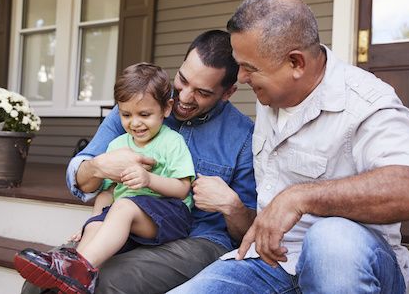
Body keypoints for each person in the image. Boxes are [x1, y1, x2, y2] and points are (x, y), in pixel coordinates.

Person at [168, 0, 409, 294]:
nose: (240, 78)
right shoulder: (270, 94)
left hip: (349, 266)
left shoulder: (365, 101)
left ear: (295, 64)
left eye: (249, 68)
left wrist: (300, 197)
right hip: (271, 264)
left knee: (331, 238)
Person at [20, 30, 257, 294]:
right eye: (182, 80)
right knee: (39, 284)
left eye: (202, 92)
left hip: (199, 237)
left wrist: (232, 206)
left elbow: (248, 231)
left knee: (107, 282)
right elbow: (82, 176)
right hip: (129, 224)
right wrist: (99, 166)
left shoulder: (244, 137)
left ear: (228, 92)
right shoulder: (139, 105)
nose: (185, 97)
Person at [15, 63, 196, 293]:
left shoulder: (171, 142)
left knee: (122, 207)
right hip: (129, 216)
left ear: (166, 109)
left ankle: (77, 269)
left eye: (144, 114)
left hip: (169, 215)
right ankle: (73, 275)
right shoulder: (117, 145)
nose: (135, 122)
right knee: (101, 219)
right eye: (126, 114)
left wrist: (149, 180)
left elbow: (182, 189)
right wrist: (92, 222)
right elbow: (107, 192)